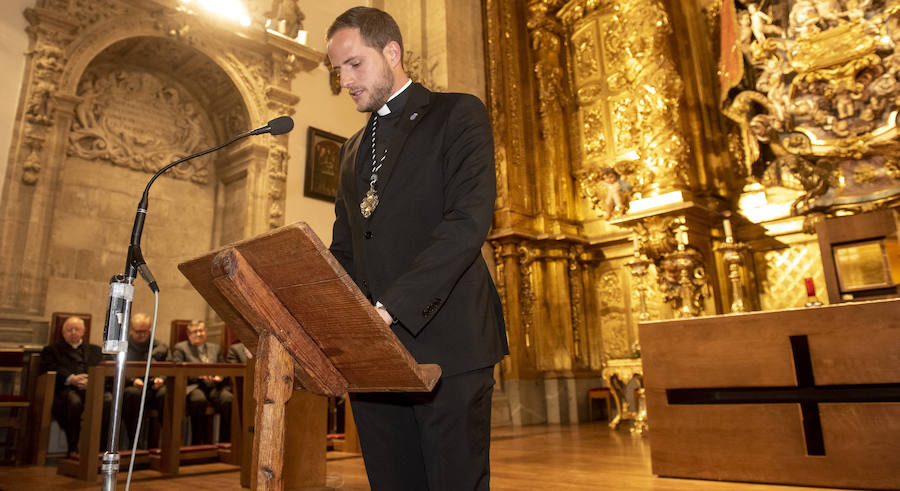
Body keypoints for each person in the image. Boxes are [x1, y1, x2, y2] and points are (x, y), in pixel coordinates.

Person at [326, 7, 508, 490]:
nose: (344, 80)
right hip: (374, 354)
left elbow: (467, 223)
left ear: (392, 52)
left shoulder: (457, 113)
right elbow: (345, 248)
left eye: (354, 64)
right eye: (336, 70)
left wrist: (390, 308)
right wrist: (330, 315)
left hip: (449, 342)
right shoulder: (349, 150)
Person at [39, 316, 111, 456]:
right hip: (66, 390)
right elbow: (49, 368)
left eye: (77, 329)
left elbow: (104, 370)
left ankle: (101, 449)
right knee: (74, 402)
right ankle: (72, 448)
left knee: (108, 399)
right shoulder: (52, 350)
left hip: (91, 389)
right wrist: (71, 379)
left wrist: (91, 381)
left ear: (83, 331)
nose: (73, 332)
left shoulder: (96, 350)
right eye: (69, 330)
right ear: (63, 332)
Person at [171, 320, 232, 444]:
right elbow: (177, 370)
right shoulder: (181, 348)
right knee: (198, 399)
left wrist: (221, 376)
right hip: (194, 386)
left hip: (214, 386)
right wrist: (198, 375)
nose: (199, 334)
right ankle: (198, 443)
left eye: (201, 330)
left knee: (228, 398)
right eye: (195, 331)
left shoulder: (215, 348)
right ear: (188, 334)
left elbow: (223, 367)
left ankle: (225, 443)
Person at [122, 312, 169, 449]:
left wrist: (161, 378)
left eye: (145, 331)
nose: (141, 335)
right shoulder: (123, 346)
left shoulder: (160, 347)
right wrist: (132, 380)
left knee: (166, 394)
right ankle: (135, 446)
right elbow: (116, 369)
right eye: (138, 331)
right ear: (130, 330)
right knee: (132, 394)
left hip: (154, 389)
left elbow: (169, 367)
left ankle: (165, 445)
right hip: (133, 388)